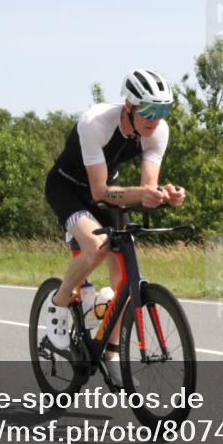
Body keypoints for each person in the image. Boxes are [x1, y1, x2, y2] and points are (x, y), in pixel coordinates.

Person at [42, 69, 186, 386]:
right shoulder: (96, 123)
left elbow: (147, 188)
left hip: (109, 189)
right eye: (149, 111)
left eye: (163, 111)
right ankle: (59, 303)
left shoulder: (158, 132)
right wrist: (142, 194)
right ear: (129, 106)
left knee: (124, 275)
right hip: (68, 188)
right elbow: (97, 192)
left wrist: (165, 196)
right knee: (96, 246)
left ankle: (111, 351)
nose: (156, 119)